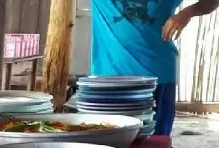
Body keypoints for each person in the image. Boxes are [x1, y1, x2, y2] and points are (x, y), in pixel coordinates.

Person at [91, 0, 219, 135]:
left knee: (155, 143)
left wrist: (187, 13)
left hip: (157, 76)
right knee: (106, 144)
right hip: (107, 80)